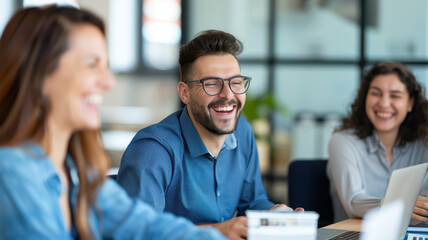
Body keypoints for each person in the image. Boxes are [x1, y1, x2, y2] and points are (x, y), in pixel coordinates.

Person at [0, 6, 226, 240]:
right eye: (91, 64)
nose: (108, 82)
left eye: (105, 65)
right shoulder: (12, 174)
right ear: (40, 74)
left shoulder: (76, 172)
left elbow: (146, 226)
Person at [117, 30, 299, 240]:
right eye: (212, 84)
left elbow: (252, 203)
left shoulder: (243, 131)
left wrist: (276, 215)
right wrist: (215, 231)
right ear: (185, 93)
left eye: (236, 82)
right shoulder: (153, 150)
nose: (228, 95)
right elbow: (136, 234)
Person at [327, 62, 428, 222]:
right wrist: (402, 203)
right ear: (365, 98)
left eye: (395, 95)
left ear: (410, 103)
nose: (384, 103)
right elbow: (353, 201)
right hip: (357, 234)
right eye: (375, 93)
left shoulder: (423, 143)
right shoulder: (343, 141)